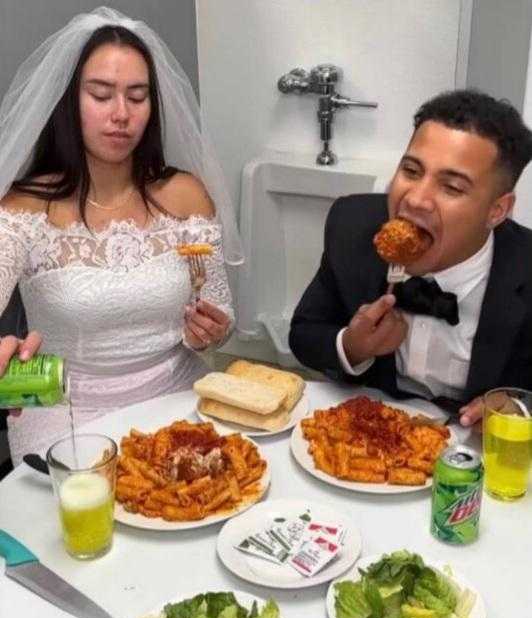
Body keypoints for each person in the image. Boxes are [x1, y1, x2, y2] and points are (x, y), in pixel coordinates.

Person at [0, 7, 244, 465]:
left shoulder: (185, 195)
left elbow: (220, 315)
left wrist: (207, 331)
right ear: (69, 101)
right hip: (65, 411)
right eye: (101, 94)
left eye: (137, 96)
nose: (121, 114)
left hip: (176, 399)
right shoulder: (24, 209)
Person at [290, 89, 532, 427]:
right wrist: (352, 346)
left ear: (497, 210)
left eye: (452, 188)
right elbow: (304, 334)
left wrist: (521, 407)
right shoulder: (352, 226)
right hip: (367, 435)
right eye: (412, 171)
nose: (416, 199)